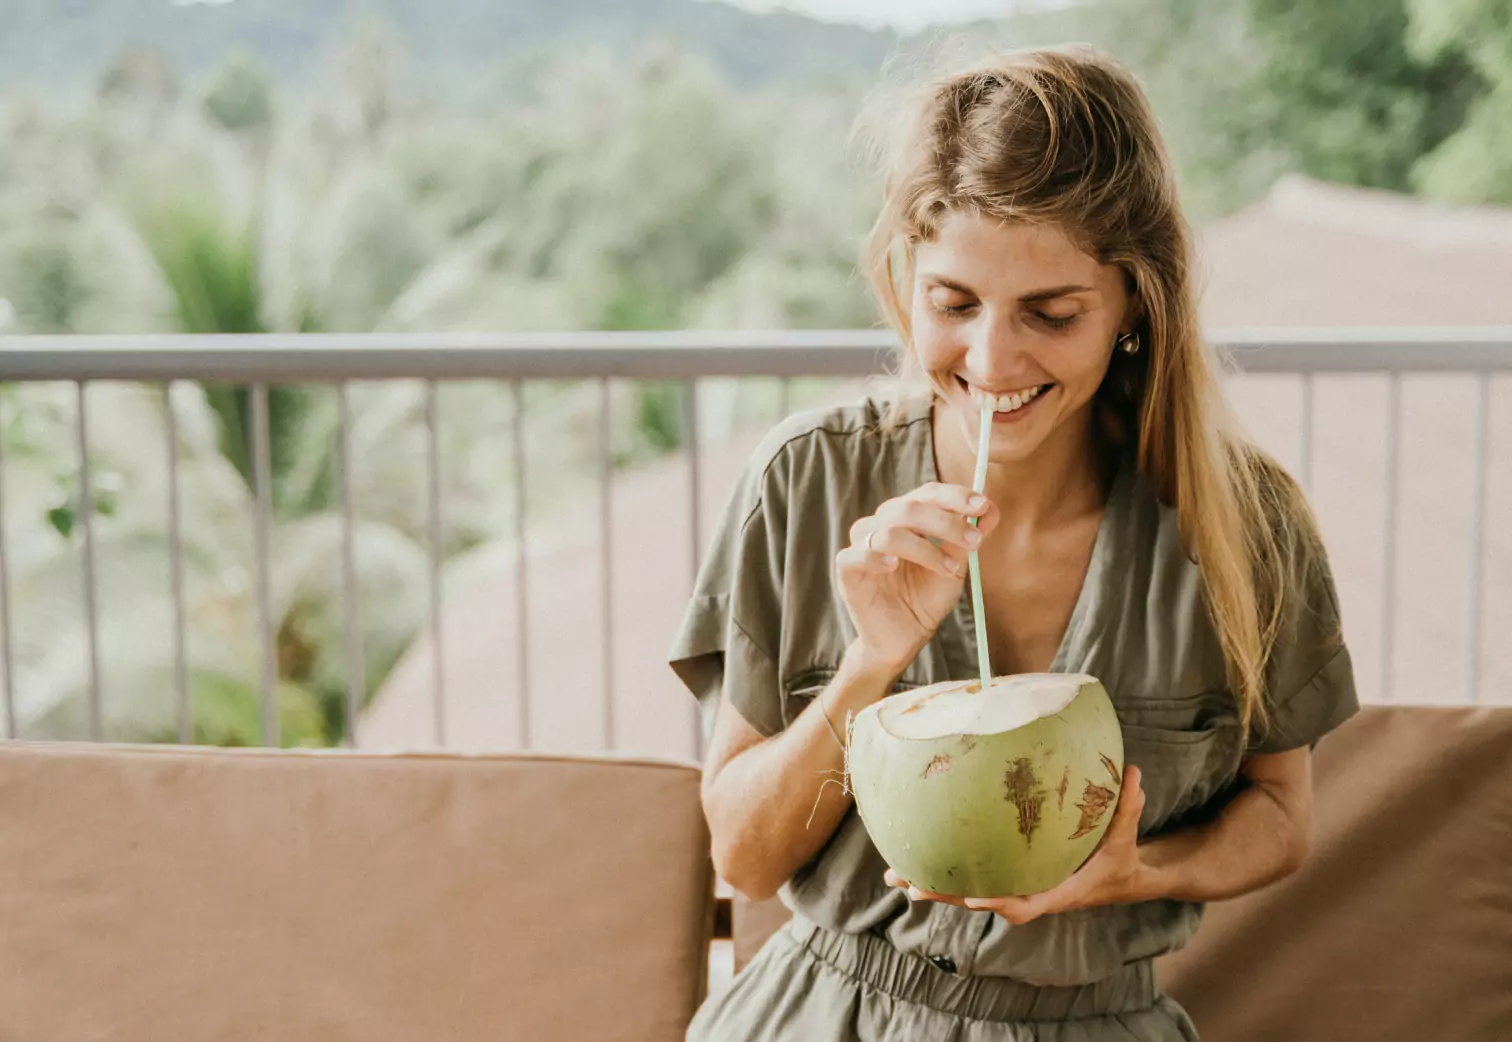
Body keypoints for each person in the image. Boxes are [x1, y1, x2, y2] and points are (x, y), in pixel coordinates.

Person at [668, 44, 1358, 1041]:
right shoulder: (805, 482)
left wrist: (1137, 873)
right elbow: (745, 858)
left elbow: (1283, 817)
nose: (991, 361)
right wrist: (871, 665)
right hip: (833, 1012)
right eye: (953, 303)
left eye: (1051, 313)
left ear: (1132, 305)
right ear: (907, 277)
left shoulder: (1247, 528)